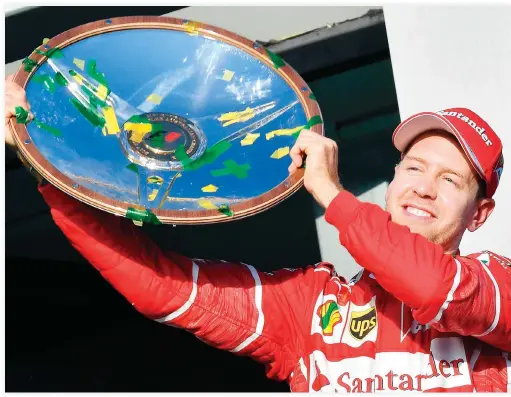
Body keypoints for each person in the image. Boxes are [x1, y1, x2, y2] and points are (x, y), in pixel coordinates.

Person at [5, 75, 511, 392]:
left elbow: (434, 288)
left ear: (479, 214)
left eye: (450, 181)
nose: (424, 189)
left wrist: (335, 197)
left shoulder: (497, 287)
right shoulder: (311, 302)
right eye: (415, 169)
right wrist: (44, 158)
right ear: (394, 180)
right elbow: (159, 285)